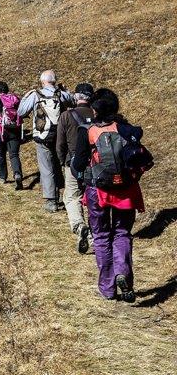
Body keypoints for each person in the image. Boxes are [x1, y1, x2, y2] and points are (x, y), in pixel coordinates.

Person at [70, 88, 150, 302]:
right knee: (122, 233)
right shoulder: (125, 129)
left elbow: (77, 165)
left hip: (98, 191)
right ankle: (123, 272)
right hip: (126, 190)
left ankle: (107, 287)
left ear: (95, 110)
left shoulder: (86, 131)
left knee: (102, 237)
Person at [18, 70, 73, 213]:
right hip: (61, 135)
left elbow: (21, 112)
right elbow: (73, 101)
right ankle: (67, 194)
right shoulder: (61, 94)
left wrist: (24, 98)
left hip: (43, 135)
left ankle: (51, 201)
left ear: (42, 82)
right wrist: (65, 90)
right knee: (59, 164)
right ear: (54, 81)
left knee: (46, 167)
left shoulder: (36, 95)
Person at [57, 82, 95, 254]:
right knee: (92, 198)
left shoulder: (66, 115)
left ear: (76, 96)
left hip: (72, 163)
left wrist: (62, 160)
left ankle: (79, 226)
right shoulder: (97, 114)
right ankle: (96, 233)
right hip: (95, 164)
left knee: (72, 197)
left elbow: (60, 144)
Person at [0, 81, 23, 190]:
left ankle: (2, 177)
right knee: (14, 154)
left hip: (0, 130)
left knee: (0, 153)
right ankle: (17, 174)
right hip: (15, 129)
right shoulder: (15, 99)